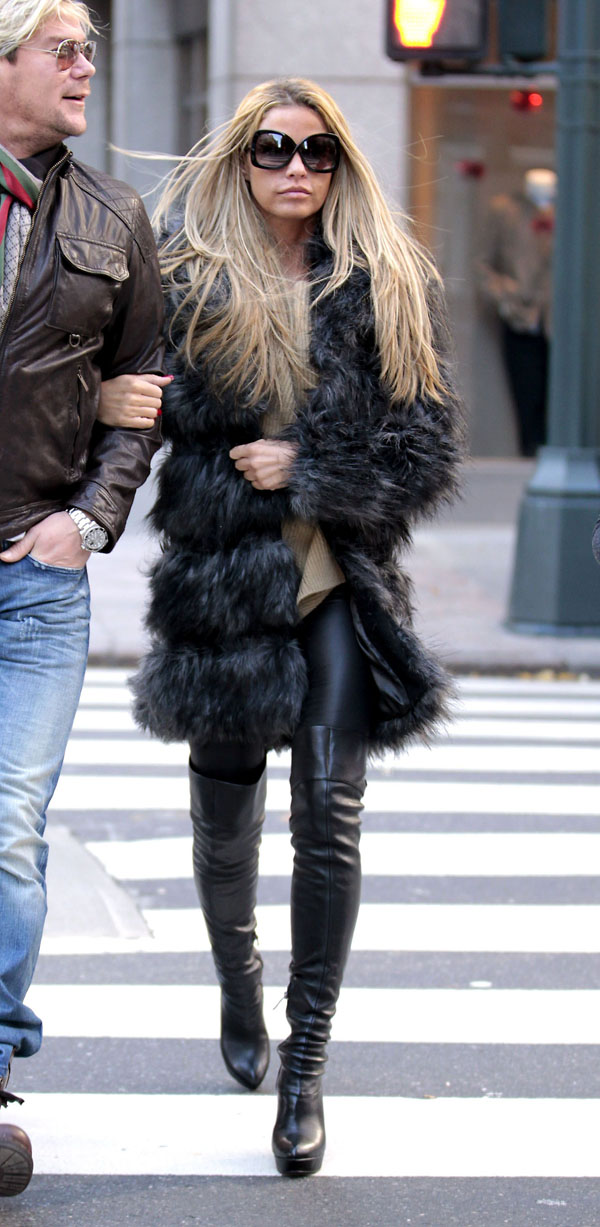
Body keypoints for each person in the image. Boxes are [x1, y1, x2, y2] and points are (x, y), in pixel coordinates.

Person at [102, 77, 463, 1178]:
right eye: (272, 150)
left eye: (316, 152)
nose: (295, 169)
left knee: (330, 812)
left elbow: (429, 454)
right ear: (241, 160)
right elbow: (123, 411)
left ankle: (306, 1069)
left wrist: (314, 467)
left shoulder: (387, 285)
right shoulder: (187, 280)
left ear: (341, 165)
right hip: (223, 588)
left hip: (339, 584)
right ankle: (238, 978)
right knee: (226, 819)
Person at [0, 0, 167, 1196]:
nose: (84, 67)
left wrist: (92, 519)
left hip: (35, 578)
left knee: (8, 833)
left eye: (94, 51)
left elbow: (141, 378)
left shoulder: (114, 214)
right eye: (62, 49)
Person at [478, 168, 556, 457]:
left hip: (562, 320)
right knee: (526, 392)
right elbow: (483, 265)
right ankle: (530, 453)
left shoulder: (571, 210)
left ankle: (554, 450)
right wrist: (506, 296)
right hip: (521, 319)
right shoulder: (506, 210)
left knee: (560, 395)